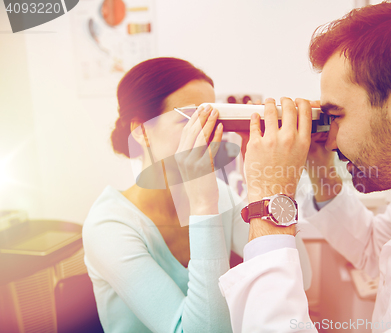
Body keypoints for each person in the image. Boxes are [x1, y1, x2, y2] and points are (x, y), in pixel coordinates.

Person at [218, 0, 391, 332]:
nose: (331, 140)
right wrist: (318, 164)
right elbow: (370, 248)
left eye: (336, 116)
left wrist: (269, 202)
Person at [82, 57, 312, 332]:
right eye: (191, 120)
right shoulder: (108, 226)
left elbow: (302, 277)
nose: (208, 136)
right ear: (141, 130)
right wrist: (204, 205)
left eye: (214, 120)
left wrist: (269, 183)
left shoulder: (221, 195)